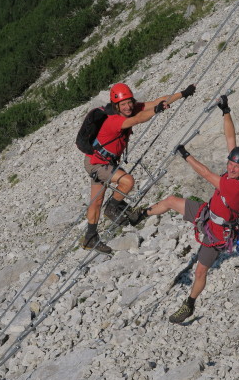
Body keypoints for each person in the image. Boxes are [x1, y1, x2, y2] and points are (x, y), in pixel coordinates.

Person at [129, 95, 239, 323]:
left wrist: (185, 154)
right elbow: (231, 140)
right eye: (230, 164)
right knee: (171, 200)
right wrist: (225, 111)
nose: (231, 168)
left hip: (217, 232)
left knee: (200, 272)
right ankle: (140, 215)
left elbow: (204, 173)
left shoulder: (234, 187)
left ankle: (189, 304)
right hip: (207, 212)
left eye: (236, 166)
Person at [81, 82, 197, 254]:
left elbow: (157, 100)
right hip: (97, 164)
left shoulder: (129, 109)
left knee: (96, 201)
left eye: (129, 102)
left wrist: (182, 93)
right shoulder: (114, 120)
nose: (128, 106)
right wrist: (156, 110)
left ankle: (90, 237)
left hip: (101, 161)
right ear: (116, 105)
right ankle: (112, 208)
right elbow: (137, 119)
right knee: (127, 182)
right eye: (123, 104)